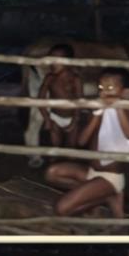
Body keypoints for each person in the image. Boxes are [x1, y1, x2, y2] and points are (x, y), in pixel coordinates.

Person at [47, 67, 129, 218]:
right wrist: (97, 114)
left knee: (61, 209)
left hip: (110, 178)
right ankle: (99, 196)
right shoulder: (98, 111)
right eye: (101, 88)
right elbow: (82, 141)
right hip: (91, 172)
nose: (103, 93)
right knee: (52, 173)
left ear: (126, 92)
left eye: (110, 88)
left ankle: (104, 195)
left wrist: (118, 105)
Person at [36, 44, 86, 172]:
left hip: (72, 118)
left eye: (57, 60)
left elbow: (79, 101)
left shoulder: (75, 79)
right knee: (55, 148)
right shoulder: (50, 78)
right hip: (55, 117)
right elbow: (40, 98)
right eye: (51, 60)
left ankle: (68, 173)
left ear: (68, 62)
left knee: (71, 149)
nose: (53, 63)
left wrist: (75, 121)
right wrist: (47, 118)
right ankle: (53, 172)